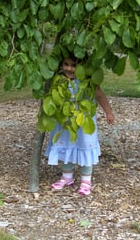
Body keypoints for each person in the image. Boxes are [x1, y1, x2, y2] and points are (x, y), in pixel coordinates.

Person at [45, 55, 115, 196]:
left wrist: (108, 112)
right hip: (65, 122)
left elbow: (99, 95)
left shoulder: (87, 81)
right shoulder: (59, 80)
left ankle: (86, 181)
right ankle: (67, 177)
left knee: (85, 145)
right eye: (66, 64)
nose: (69, 68)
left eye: (74, 65)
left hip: (83, 122)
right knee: (66, 145)